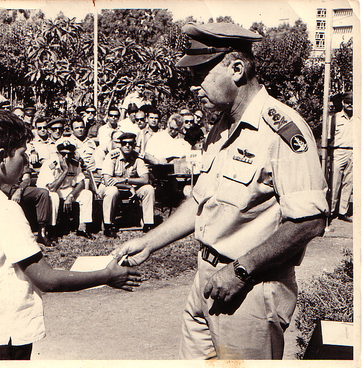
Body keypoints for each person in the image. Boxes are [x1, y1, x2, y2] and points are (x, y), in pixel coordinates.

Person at [113, 22, 328, 360]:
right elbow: (201, 199)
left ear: (237, 69)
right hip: (207, 279)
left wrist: (241, 270)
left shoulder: (282, 130)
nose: (195, 86)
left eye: (201, 73)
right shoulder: (221, 127)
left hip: (251, 287)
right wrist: (149, 242)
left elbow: (309, 221)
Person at [0, 107, 140, 360]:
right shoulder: (4, 208)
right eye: (23, 155)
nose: (26, 162)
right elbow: (46, 279)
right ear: (3, 157)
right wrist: (107, 275)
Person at [37, 140, 95, 240]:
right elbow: (52, 188)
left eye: (69, 154)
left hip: (67, 190)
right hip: (48, 191)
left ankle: (83, 228)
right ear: (58, 154)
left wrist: (71, 196)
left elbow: (81, 182)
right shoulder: (50, 164)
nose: (66, 157)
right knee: (53, 196)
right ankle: (52, 229)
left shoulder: (74, 164)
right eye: (63, 154)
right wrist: (65, 172)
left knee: (87, 193)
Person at [101, 132, 154, 237]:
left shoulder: (137, 158)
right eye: (124, 143)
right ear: (120, 145)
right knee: (112, 191)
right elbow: (108, 181)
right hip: (110, 189)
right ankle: (108, 226)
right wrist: (128, 186)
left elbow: (145, 179)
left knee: (149, 189)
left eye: (130, 143)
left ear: (134, 145)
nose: (127, 146)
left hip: (130, 188)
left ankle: (148, 225)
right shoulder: (111, 156)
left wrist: (126, 180)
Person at [330, 91, 353, 222]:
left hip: (353, 152)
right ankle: (331, 211)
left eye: (353, 103)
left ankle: (342, 212)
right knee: (335, 182)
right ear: (343, 103)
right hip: (338, 152)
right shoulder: (335, 118)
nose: (350, 105)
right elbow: (329, 136)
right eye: (348, 102)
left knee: (349, 183)